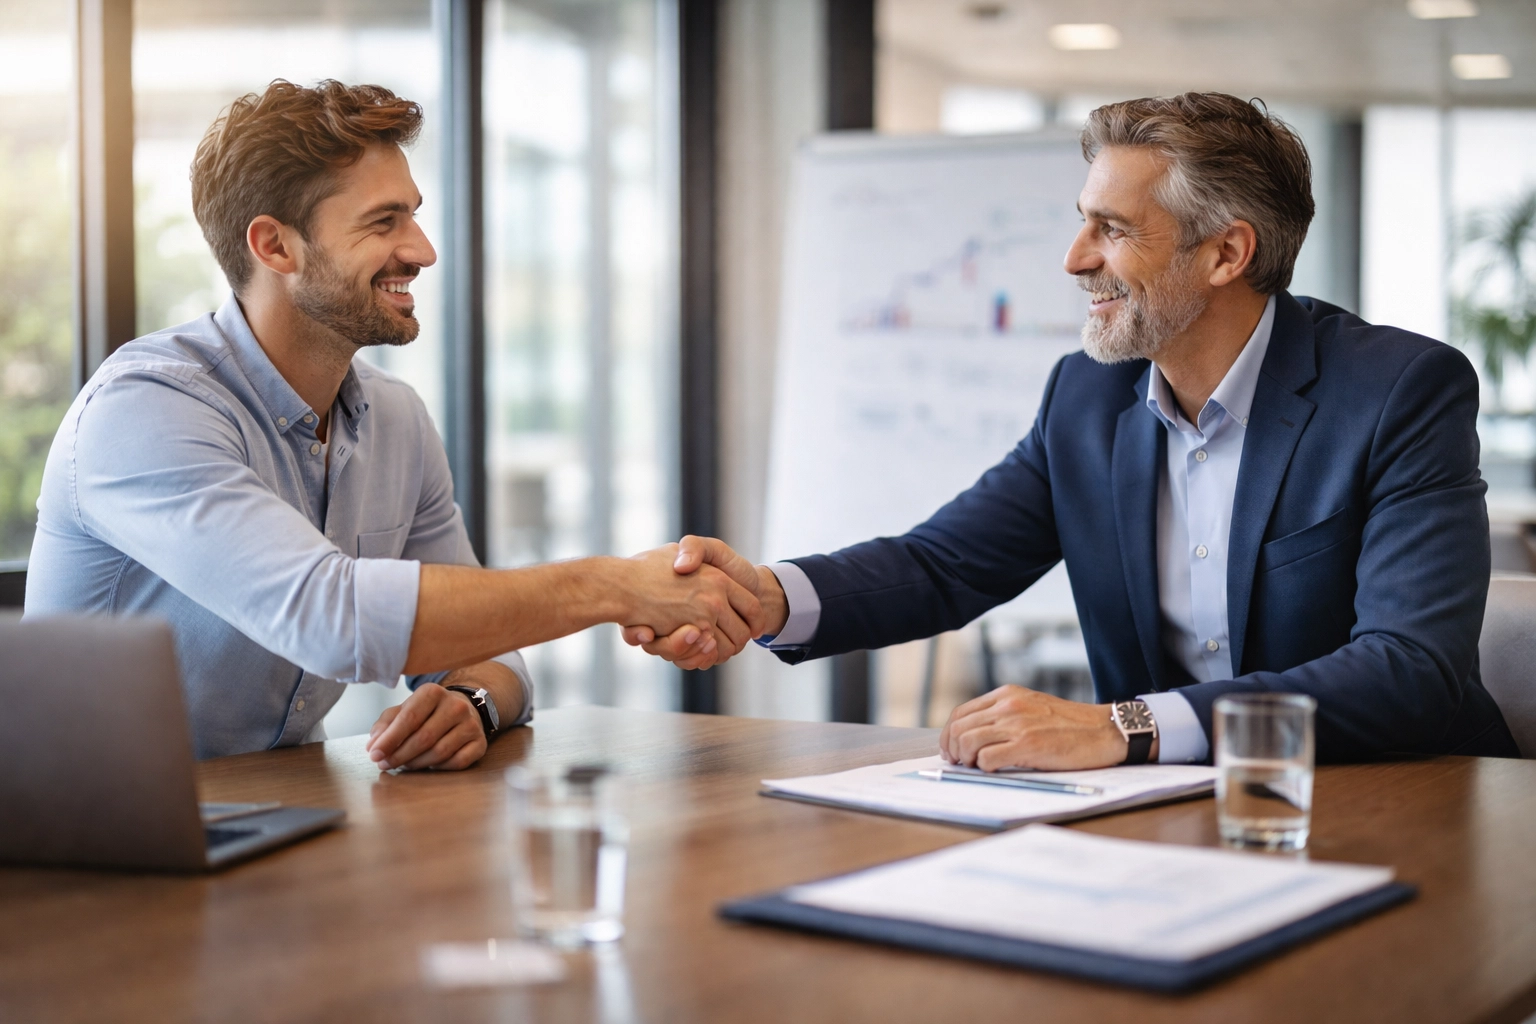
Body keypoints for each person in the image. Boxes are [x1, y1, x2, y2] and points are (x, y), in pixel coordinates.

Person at [629, 92, 1518, 768]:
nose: (1074, 257)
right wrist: (765, 599)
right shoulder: (1086, 399)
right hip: (1171, 814)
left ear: (1226, 254)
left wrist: (1121, 726)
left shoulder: (1401, 390)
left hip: (1403, 801)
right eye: (1080, 221)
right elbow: (945, 563)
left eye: (1112, 229)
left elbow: (1410, 671)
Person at [24, 80, 761, 770]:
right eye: (385, 222)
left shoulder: (395, 419)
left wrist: (470, 701)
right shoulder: (146, 408)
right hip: (92, 855)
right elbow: (330, 617)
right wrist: (616, 586)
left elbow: (496, 663)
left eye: (412, 213)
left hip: (277, 827)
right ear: (275, 246)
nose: (422, 250)